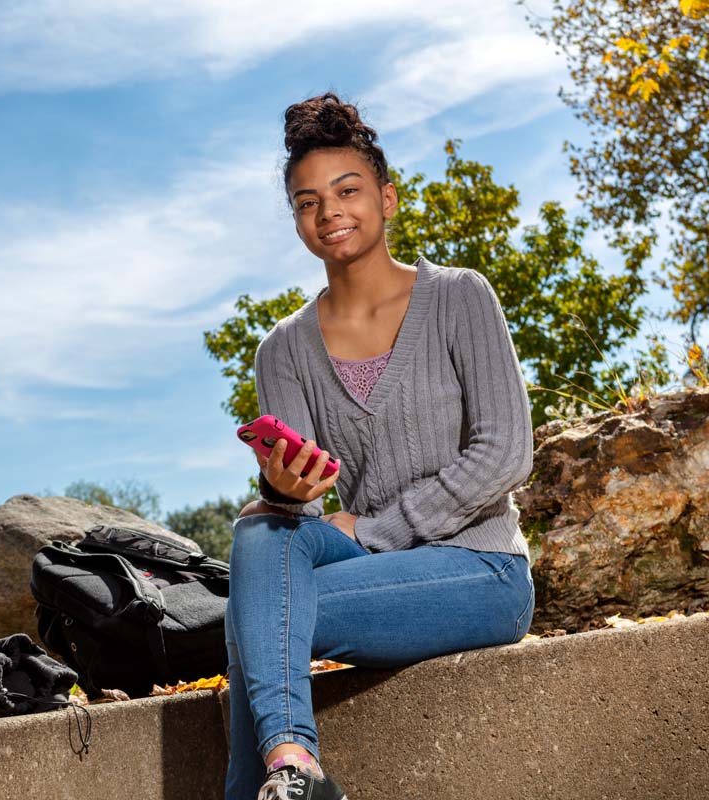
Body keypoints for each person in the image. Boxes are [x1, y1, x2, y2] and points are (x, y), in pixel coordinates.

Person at [224, 93, 536, 800]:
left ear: (387, 199)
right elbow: (301, 518)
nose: (328, 211)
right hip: (370, 570)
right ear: (298, 221)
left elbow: (507, 452)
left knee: (257, 616)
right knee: (258, 536)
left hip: (481, 571)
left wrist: (378, 528)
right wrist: (285, 493)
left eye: (347, 190)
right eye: (307, 201)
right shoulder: (282, 349)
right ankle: (294, 769)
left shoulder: (460, 297)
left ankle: (275, 779)